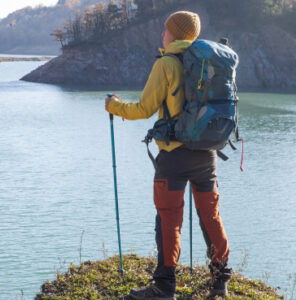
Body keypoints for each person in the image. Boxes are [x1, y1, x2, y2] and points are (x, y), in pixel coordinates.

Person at [105, 11, 232, 300]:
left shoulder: (166, 64)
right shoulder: (209, 62)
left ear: (175, 33)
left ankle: (164, 287)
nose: (162, 34)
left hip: (173, 158)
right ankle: (220, 280)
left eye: (165, 30)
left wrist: (115, 106)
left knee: (168, 219)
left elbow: (143, 109)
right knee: (210, 216)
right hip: (207, 155)